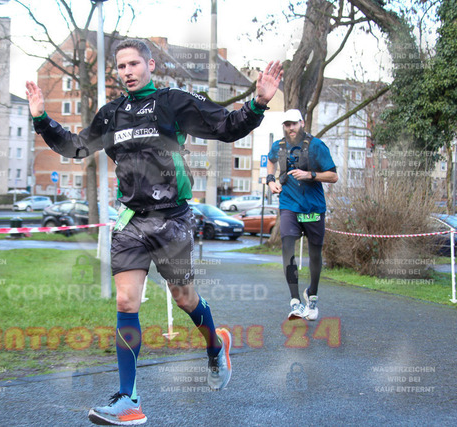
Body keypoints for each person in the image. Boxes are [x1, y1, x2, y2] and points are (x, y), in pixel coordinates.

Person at [26, 39, 282, 426]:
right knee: (126, 301)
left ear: (150, 64)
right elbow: (77, 148)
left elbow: (225, 127)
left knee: (184, 298)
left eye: (134, 63)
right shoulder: (111, 114)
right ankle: (129, 400)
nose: (127, 71)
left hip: (171, 219)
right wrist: (42, 119)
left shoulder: (172, 102)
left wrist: (258, 103)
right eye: (121, 66)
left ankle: (216, 345)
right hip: (131, 220)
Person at [266, 109, 338, 321]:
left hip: (313, 207)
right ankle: (295, 302)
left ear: (302, 123)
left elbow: (333, 176)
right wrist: (270, 181)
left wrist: (310, 174)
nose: (290, 128)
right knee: (287, 247)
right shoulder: (278, 146)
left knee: (315, 253)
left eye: (294, 124)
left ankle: (312, 296)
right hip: (289, 205)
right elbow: (270, 161)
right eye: (287, 124)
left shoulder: (317, 146)